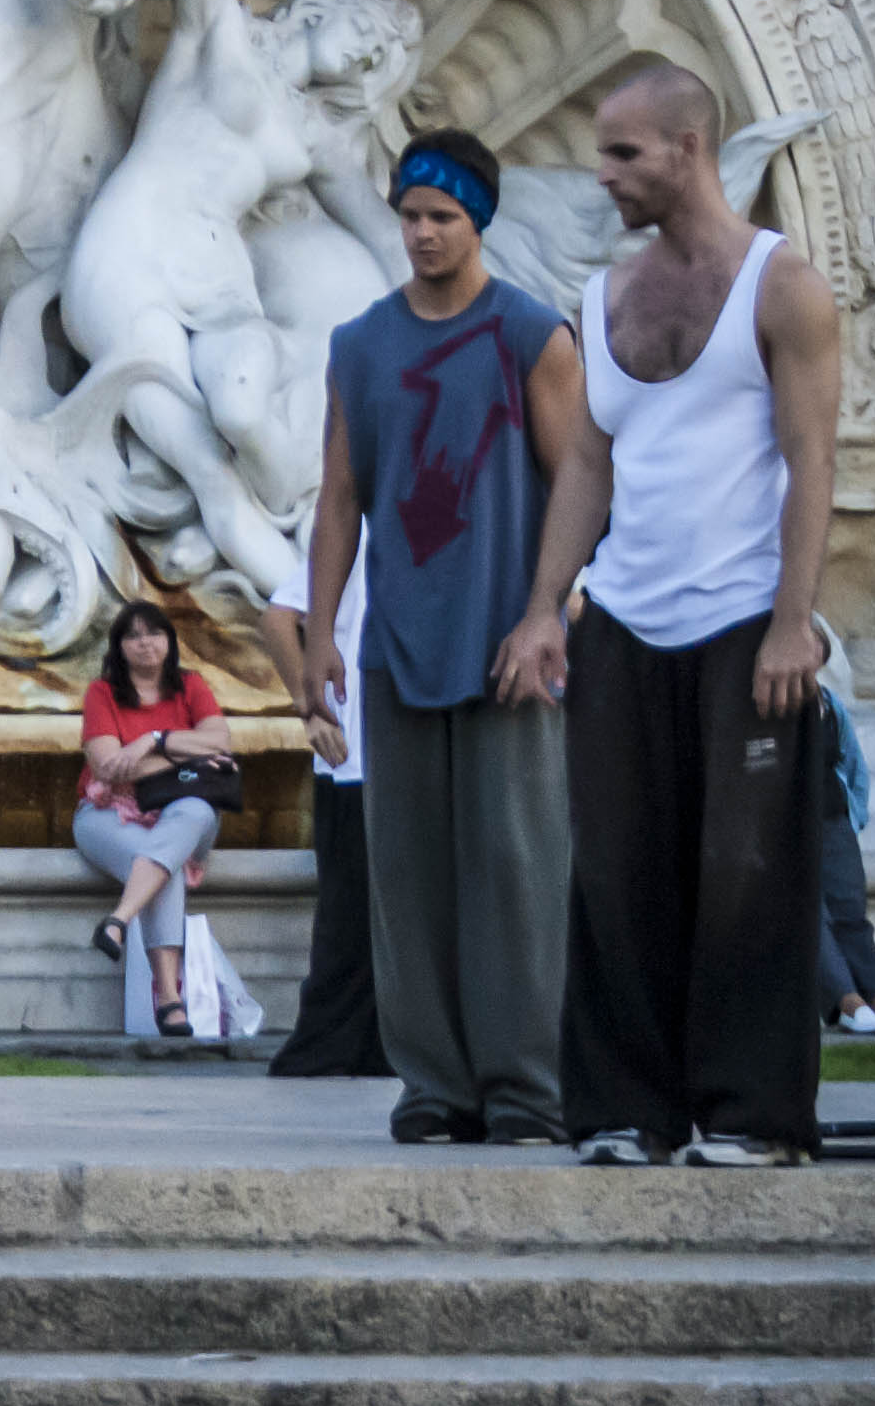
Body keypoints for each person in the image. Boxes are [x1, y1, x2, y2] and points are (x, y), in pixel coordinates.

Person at [499, 66, 847, 1168]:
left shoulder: (782, 288)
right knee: (613, 872)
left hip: (746, 622)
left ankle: (749, 1115)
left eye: (623, 155)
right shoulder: (602, 302)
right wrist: (545, 608)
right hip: (627, 624)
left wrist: (798, 619)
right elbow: (589, 468)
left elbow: (813, 463)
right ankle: (621, 1110)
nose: (603, 178)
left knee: (746, 877)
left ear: (689, 149)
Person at [302, 127, 577, 1142]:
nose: (421, 234)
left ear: (479, 222)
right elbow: (339, 496)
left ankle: (524, 1089)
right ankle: (434, 1086)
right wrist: (321, 634)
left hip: (510, 643)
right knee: (408, 878)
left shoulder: (530, 335)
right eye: (410, 215)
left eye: (442, 218)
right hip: (398, 644)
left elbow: (579, 482)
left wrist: (548, 610)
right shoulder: (361, 344)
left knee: (514, 869)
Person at [259, 547, 384, 1079]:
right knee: (350, 915)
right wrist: (309, 707)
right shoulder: (361, 541)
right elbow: (279, 616)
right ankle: (334, 1043)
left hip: (400, 755)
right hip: (355, 755)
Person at [75, 601, 228, 1038]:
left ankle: (119, 920)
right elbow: (106, 768)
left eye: (154, 633)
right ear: (120, 647)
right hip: (106, 813)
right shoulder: (101, 693)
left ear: (169, 640)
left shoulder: (190, 686)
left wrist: (150, 741)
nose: (146, 643)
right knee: (164, 863)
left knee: (195, 811)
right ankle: (169, 998)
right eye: (134, 635)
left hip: (183, 811)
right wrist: (183, 755)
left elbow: (221, 740)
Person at [816, 623, 875, 1038]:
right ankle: (846, 1001)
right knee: (811, 915)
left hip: (833, 819)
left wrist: (854, 815)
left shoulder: (828, 703)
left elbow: (852, 764)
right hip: (784, 828)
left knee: (850, 912)